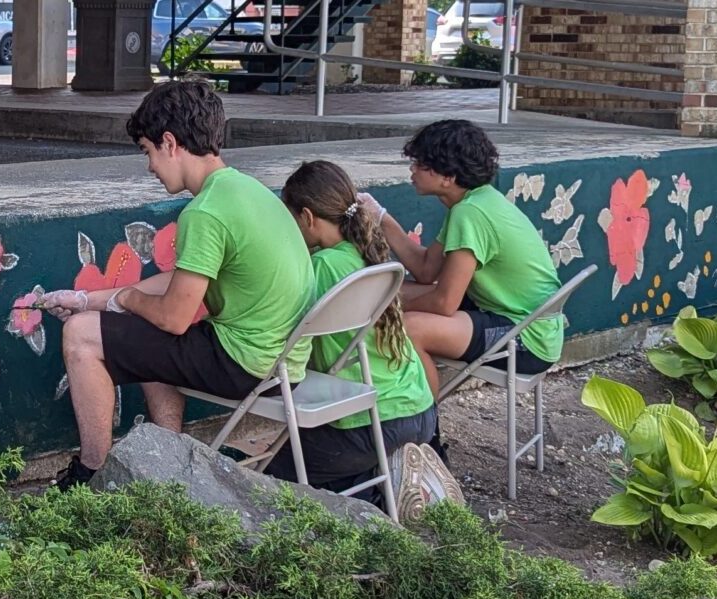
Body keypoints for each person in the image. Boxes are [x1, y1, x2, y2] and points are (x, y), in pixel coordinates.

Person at [37, 80, 314, 489]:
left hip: (247, 366)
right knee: (143, 338)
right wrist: (86, 299)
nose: (149, 166)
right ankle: (170, 468)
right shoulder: (249, 190)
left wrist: (128, 298)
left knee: (81, 334)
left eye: (147, 151)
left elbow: (173, 318)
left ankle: (90, 476)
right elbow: (181, 281)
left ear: (169, 143)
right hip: (284, 364)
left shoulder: (205, 212)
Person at [365, 120, 565, 458]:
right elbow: (426, 269)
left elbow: (444, 301)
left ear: (447, 176)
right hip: (525, 321)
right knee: (393, 301)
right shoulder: (474, 202)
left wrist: (385, 302)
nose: (412, 170)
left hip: (526, 338)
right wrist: (381, 217)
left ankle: (428, 440)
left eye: (420, 164)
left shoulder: (470, 214)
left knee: (410, 328)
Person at [278, 160, 462, 513]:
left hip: (364, 424)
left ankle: (375, 501)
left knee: (278, 474)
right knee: (333, 465)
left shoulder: (321, 267)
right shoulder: (369, 255)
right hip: (420, 410)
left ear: (307, 217)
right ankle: (394, 482)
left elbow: (284, 330)